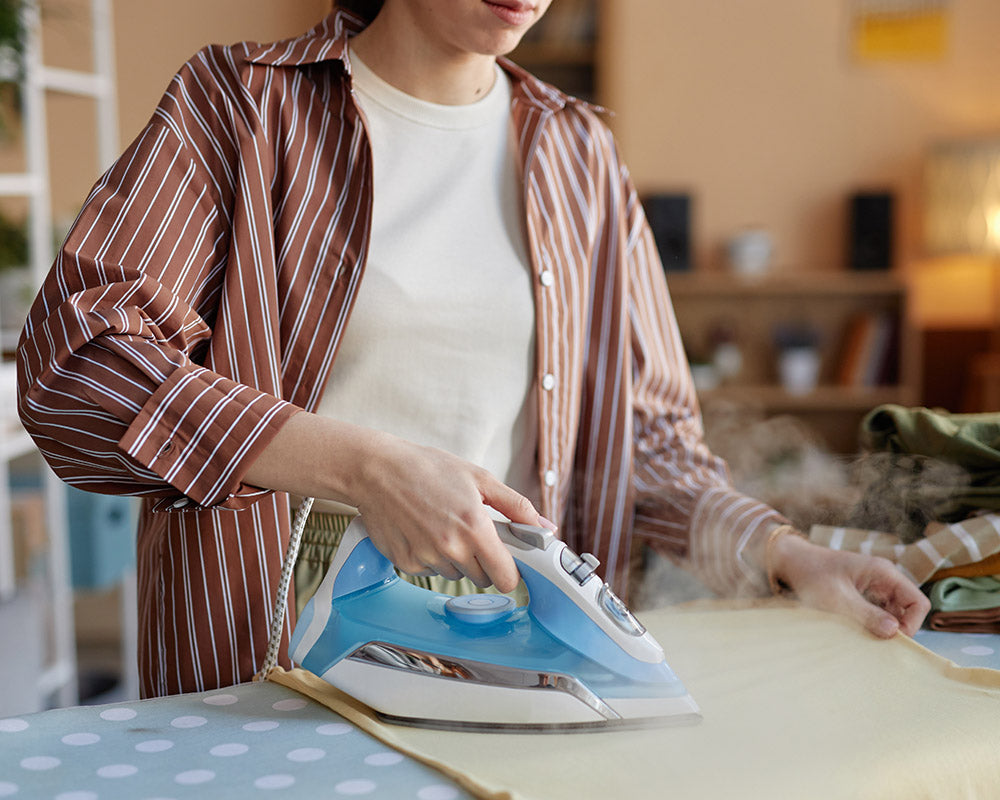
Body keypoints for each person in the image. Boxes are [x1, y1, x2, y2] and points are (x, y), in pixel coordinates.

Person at [16, 0, 929, 698]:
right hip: (260, 666)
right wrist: (368, 468)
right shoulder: (241, 108)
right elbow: (76, 363)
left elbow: (648, 446)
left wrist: (792, 557)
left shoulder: (581, 154)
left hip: (503, 663)